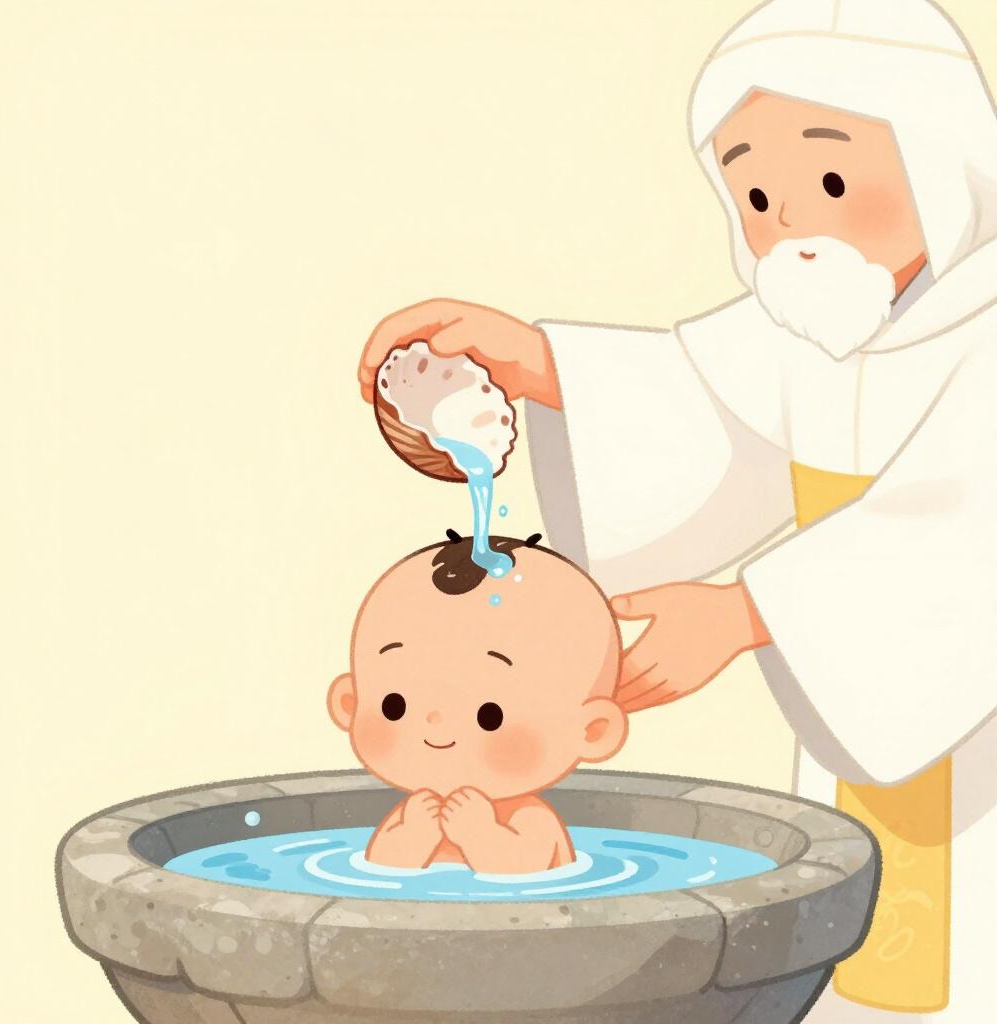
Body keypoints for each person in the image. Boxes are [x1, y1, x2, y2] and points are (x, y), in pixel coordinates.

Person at [356, 2, 997, 1018]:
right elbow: (706, 406)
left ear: (940, 164)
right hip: (861, 739)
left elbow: (968, 536)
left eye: (830, 181)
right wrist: (539, 367)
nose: (793, 225)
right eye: (754, 193)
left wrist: (748, 615)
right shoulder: (830, 327)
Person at [327, 532, 626, 873]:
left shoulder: (529, 819)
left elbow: (527, 882)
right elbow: (378, 873)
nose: (435, 724)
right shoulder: (414, 814)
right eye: (394, 706)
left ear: (591, 731)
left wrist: (481, 835)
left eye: (490, 715)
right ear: (350, 705)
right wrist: (410, 838)